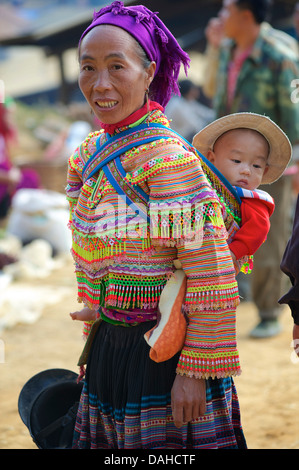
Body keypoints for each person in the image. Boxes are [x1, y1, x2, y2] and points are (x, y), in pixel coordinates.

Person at [66, 1, 246, 449]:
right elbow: (86, 251)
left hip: (167, 354)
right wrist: (96, 323)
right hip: (112, 347)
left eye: (116, 67)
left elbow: (210, 270)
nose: (100, 84)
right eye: (88, 67)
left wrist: (194, 372)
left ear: (149, 73)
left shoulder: (168, 162)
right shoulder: (87, 157)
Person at [202, 0, 299, 338]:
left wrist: (296, 160)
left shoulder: (281, 54)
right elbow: (213, 93)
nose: (221, 17)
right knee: (225, 229)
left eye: (227, 10)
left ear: (245, 15)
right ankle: (237, 292)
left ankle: (270, 311)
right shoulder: (228, 48)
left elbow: (295, 114)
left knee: (269, 238)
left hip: (267, 165)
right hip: (226, 163)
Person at [193, 112, 291, 275]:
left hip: (221, 262)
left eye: (256, 166)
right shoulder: (201, 185)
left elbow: (258, 229)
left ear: (265, 170)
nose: (246, 170)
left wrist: (234, 252)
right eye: (237, 161)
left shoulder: (253, 200)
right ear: (211, 158)